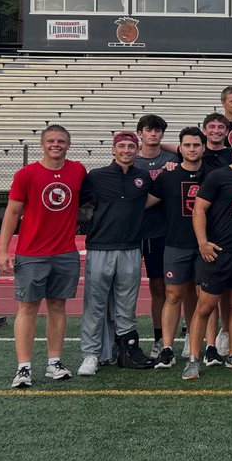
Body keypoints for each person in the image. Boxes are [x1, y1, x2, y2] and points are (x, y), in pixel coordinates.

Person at [0, 124, 87, 388]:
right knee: (27, 308)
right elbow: (13, 213)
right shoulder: (26, 174)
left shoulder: (78, 170)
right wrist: (3, 249)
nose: (56, 144)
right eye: (51, 140)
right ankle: (23, 367)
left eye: (61, 141)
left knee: (58, 306)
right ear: (42, 144)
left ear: (68, 145)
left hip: (64, 252)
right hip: (32, 253)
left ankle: (54, 362)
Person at [183, 132, 232, 379]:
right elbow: (199, 209)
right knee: (205, 307)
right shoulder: (218, 177)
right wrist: (202, 243)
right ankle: (194, 359)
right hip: (219, 253)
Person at [78, 130, 154, 375]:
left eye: (131, 147)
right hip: (100, 247)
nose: (126, 151)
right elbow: (79, 205)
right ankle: (91, 353)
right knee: (95, 304)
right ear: (113, 149)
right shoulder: (96, 176)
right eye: (121, 146)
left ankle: (126, 349)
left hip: (131, 248)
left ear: (137, 150)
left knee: (126, 305)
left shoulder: (143, 177)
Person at [145, 127, 208, 369]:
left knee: (201, 297)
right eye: (187, 145)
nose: (192, 149)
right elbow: (145, 203)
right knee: (173, 295)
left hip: (205, 246)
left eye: (196, 145)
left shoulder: (213, 175)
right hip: (175, 244)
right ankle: (167, 348)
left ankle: (194, 343)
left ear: (203, 147)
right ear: (179, 148)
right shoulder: (167, 175)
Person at [134, 114, 180, 356]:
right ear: (140, 133)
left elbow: (191, 147)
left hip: (167, 230)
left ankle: (166, 337)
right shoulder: (132, 159)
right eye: (149, 130)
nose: (153, 134)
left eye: (158, 131)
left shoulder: (172, 159)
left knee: (171, 286)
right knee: (151, 286)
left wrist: (164, 149)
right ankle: (152, 335)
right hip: (138, 230)